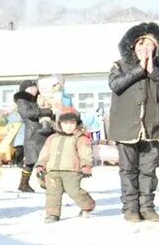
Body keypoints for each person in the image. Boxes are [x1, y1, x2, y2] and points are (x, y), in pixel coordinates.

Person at [107, 22, 159, 222]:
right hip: (126, 128)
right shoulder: (119, 65)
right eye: (140, 45)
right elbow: (116, 85)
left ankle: (147, 207)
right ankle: (130, 208)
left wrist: (153, 72)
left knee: (148, 170)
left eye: (149, 46)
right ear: (132, 47)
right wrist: (140, 69)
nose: (144, 50)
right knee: (128, 170)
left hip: (152, 128)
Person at [36, 109, 95, 222]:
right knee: (52, 193)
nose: (69, 126)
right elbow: (45, 153)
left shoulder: (80, 138)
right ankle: (52, 214)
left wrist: (86, 165)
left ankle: (87, 205)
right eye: (66, 123)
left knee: (73, 190)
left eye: (72, 123)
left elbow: (85, 152)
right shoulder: (52, 138)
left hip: (72, 170)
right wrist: (40, 165)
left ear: (77, 124)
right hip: (52, 170)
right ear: (59, 124)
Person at [14, 79, 53, 193]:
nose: (33, 89)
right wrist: (45, 112)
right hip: (33, 134)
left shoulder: (40, 99)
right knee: (32, 160)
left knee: (44, 159)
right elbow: (27, 113)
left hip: (44, 132)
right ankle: (26, 183)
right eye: (30, 88)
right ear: (24, 89)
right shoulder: (22, 100)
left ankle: (26, 183)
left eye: (34, 87)